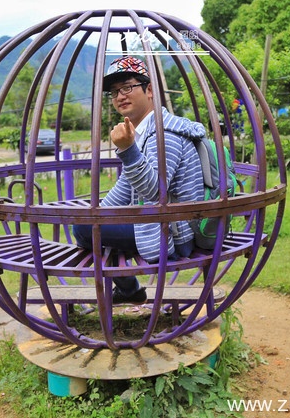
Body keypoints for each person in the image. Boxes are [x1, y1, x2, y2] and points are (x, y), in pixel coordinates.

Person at [73, 56, 205, 304]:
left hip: (176, 232)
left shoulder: (165, 134)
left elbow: (156, 191)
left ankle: (129, 290)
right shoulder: (144, 131)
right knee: (90, 222)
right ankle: (129, 290)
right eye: (114, 92)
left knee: (84, 230)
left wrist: (128, 150)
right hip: (159, 221)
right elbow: (127, 187)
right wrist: (97, 213)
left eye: (127, 87)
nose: (120, 96)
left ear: (150, 89)